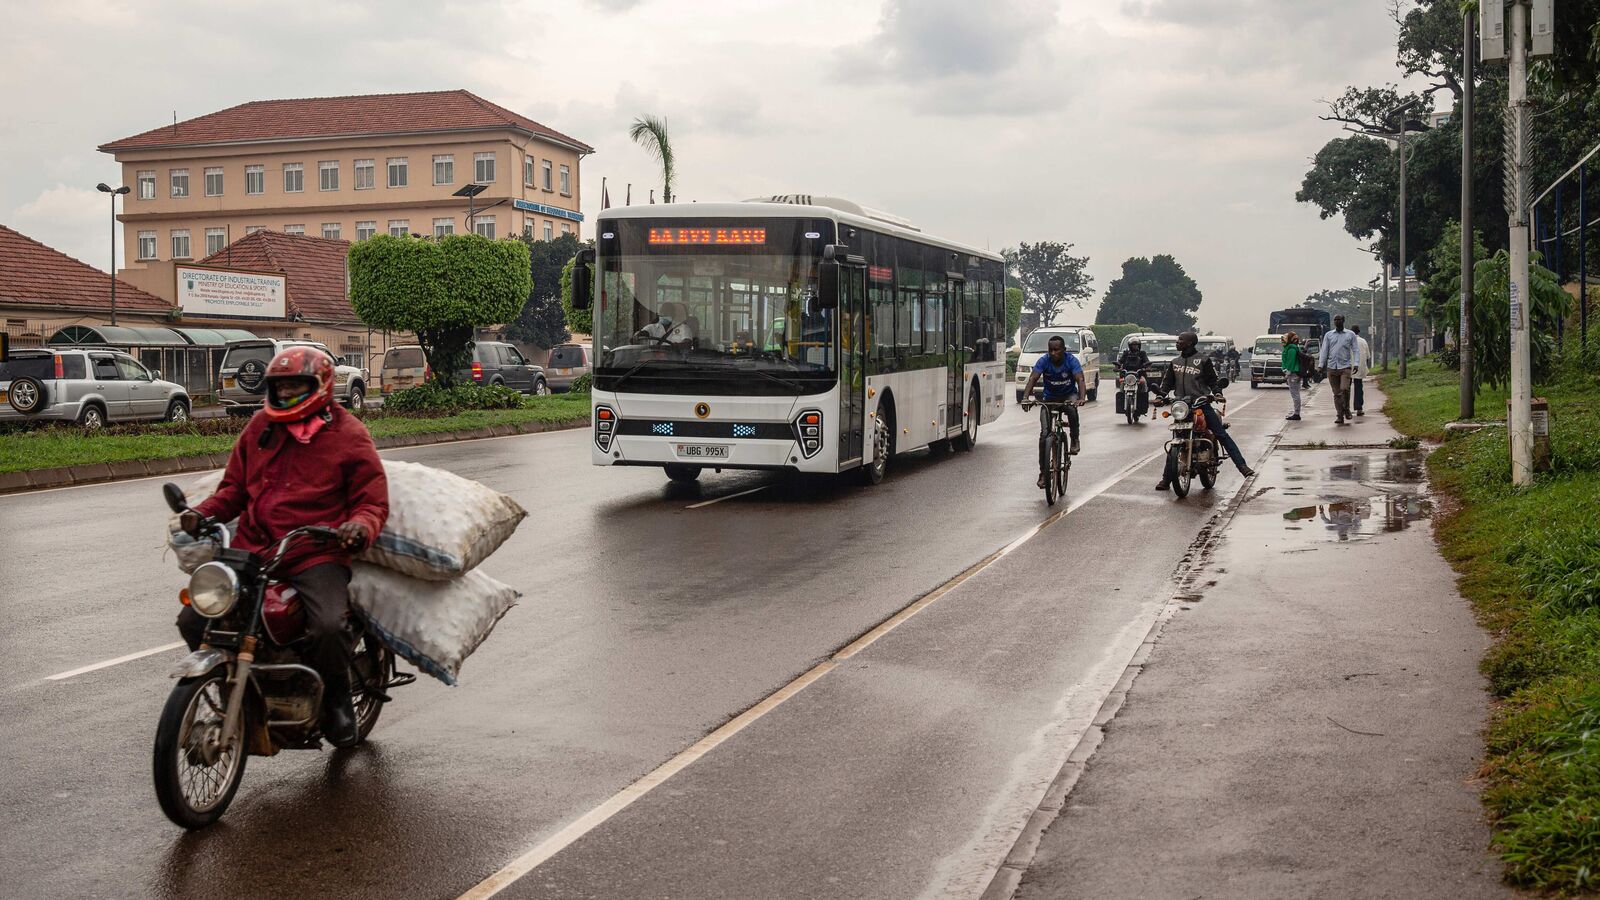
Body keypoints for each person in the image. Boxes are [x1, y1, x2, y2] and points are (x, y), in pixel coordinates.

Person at [177, 346, 389, 748]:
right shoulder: (259, 427)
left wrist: (357, 527)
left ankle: (338, 700)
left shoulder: (349, 434)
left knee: (327, 626)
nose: (288, 393)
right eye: (281, 386)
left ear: (321, 386)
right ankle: (232, 690)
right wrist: (201, 514)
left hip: (315, 553)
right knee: (193, 619)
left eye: (297, 386)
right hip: (252, 549)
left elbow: (371, 502)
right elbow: (234, 490)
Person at [1155, 331, 1255, 491]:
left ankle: (1242, 466)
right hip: (1182, 406)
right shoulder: (1175, 362)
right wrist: (1160, 396)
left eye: (1181, 340)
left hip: (1201, 404)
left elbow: (1213, 381)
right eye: (1178, 340)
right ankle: (1166, 480)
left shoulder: (1203, 360)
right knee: (1177, 437)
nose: (1178, 342)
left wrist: (1217, 393)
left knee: (1221, 434)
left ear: (1190, 343)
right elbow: (1167, 384)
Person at [1020, 335, 1086, 488]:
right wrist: (1025, 397)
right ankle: (1044, 473)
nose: (1053, 353)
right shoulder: (1044, 361)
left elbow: (1080, 379)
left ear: (1063, 350)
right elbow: (1033, 378)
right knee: (1044, 436)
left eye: (1057, 350)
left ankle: (1075, 439)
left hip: (1068, 396)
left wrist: (1081, 397)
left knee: (1071, 409)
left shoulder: (1071, 361)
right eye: (1050, 350)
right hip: (1049, 398)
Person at [1317, 314, 1361, 425]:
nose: (1337, 322)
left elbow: (1355, 350)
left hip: (1345, 367)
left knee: (1345, 389)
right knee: (1337, 393)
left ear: (1343, 321)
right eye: (1335, 320)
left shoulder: (1350, 335)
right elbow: (1324, 350)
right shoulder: (1329, 335)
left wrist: (1356, 363)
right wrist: (1321, 365)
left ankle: (1346, 408)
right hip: (1332, 368)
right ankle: (1340, 415)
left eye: (1339, 320)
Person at [1281, 331, 1307, 420]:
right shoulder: (1293, 348)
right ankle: (1296, 412)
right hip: (1294, 374)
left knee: (1295, 394)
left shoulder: (1291, 349)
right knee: (1295, 394)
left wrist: (1287, 374)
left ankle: (1297, 414)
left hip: (1293, 374)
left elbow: (1290, 363)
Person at [1350, 324, 1372, 417]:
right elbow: (1367, 356)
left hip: (1348, 368)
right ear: (1359, 332)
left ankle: (1345, 409)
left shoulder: (1348, 341)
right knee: (1358, 388)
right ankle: (1359, 408)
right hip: (1359, 368)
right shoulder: (1363, 341)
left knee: (1345, 389)